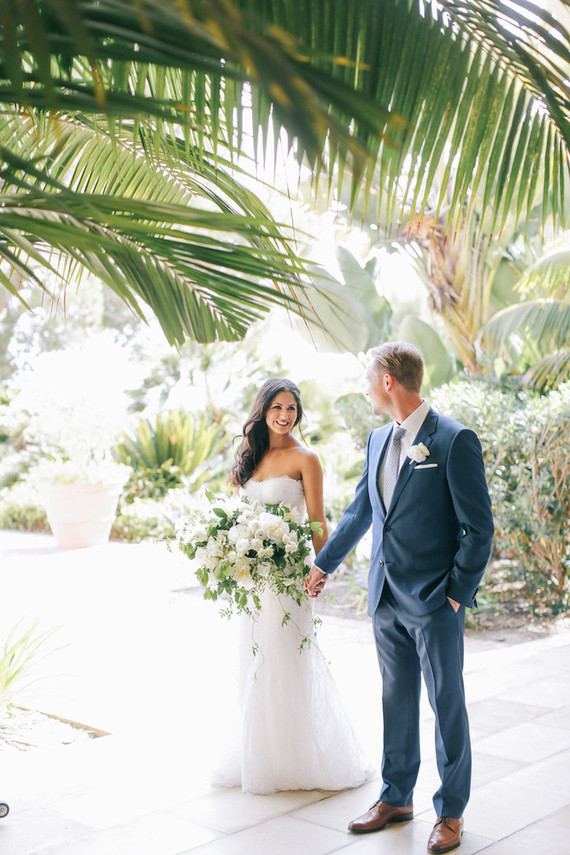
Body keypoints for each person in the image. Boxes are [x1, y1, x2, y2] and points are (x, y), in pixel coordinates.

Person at [306, 342, 494, 854]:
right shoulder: (376, 440)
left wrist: (455, 595)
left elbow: (479, 529)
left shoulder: (453, 440)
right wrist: (324, 564)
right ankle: (396, 796)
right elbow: (360, 511)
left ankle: (450, 811)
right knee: (396, 700)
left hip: (435, 601)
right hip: (385, 596)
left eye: (369, 378)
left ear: (388, 380)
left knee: (446, 703)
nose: (365, 387)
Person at [213, 377, 373, 794]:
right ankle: (259, 757)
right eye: (277, 408)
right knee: (252, 656)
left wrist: (324, 568)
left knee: (286, 657)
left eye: (291, 409)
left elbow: (318, 519)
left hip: (288, 578)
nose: (285, 416)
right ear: (263, 411)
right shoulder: (250, 456)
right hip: (253, 579)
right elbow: (237, 516)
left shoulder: (307, 459)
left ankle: (297, 759)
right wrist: (231, 552)